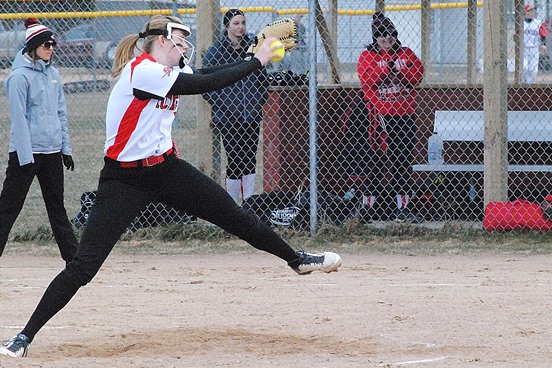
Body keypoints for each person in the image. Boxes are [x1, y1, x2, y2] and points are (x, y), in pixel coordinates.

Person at [0, 15, 342, 358]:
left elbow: (206, 76)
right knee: (83, 267)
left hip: (166, 170)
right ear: (161, 41)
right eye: (178, 39)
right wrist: (257, 60)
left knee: (236, 217)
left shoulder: (169, 73)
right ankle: (24, 337)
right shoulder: (143, 71)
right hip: (124, 180)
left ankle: (296, 260)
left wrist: (252, 58)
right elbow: (205, 86)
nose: (183, 46)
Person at [0, 18, 77, 264]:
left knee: (57, 208)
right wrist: (25, 157)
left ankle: (74, 259)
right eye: (46, 44)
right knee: (9, 208)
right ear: (32, 47)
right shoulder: (18, 78)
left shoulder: (53, 74)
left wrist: (66, 148)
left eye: (53, 44)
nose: (51, 48)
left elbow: (60, 113)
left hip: (52, 151)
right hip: (27, 153)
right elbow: (19, 120)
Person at [357, 12, 425, 223]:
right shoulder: (367, 56)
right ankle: (368, 207)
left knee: (402, 161)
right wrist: (388, 67)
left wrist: (399, 69)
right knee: (374, 161)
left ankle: (402, 209)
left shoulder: (406, 53)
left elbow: (417, 76)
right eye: (381, 35)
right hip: (377, 117)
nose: (387, 39)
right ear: (375, 38)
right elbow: (368, 80)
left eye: (390, 35)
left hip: (404, 116)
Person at [202, 9, 268, 203]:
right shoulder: (217, 52)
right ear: (227, 26)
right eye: (236, 23)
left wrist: (258, 102)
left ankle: (248, 203)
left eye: (243, 23)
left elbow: (262, 81)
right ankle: (231, 205)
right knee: (235, 160)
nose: (241, 27)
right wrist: (225, 105)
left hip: (251, 115)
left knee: (249, 160)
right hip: (229, 118)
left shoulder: (253, 49)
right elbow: (205, 84)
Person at [517, 4, 548, 83]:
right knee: (524, 67)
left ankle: (531, 85)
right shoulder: (521, 23)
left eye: (532, 10)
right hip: (523, 48)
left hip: (534, 48)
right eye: (529, 11)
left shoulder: (538, 23)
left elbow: (543, 34)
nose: (532, 12)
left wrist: (544, 44)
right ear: (525, 12)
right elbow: (516, 36)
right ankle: (525, 84)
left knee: (533, 69)